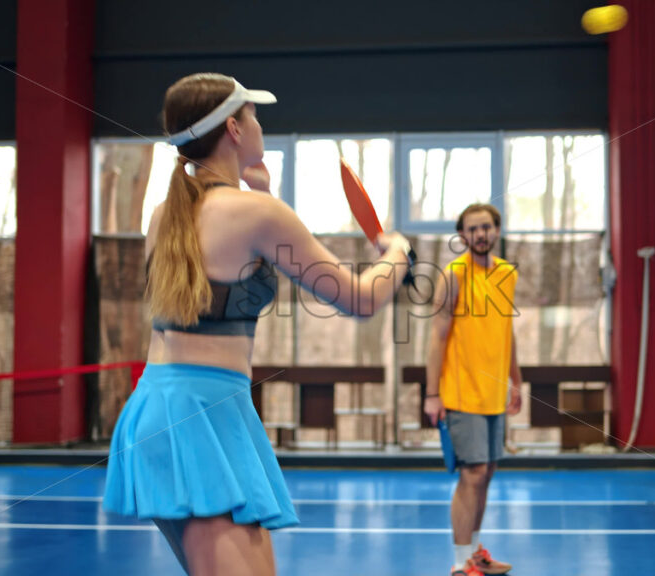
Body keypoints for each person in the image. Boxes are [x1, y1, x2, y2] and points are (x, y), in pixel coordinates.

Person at [102, 72, 412, 576]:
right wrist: (397, 252)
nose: (260, 124)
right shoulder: (256, 213)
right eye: (253, 114)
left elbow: (220, 274)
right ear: (234, 129)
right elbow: (360, 299)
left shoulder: (164, 215)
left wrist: (261, 192)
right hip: (202, 415)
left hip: (160, 407)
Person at [424, 203, 522, 576]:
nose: (480, 234)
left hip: (494, 393)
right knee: (473, 473)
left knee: (488, 471)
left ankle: (475, 552)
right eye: (472, 229)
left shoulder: (507, 274)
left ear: (496, 230)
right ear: (462, 235)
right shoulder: (454, 275)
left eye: (486, 227)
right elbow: (437, 336)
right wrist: (432, 393)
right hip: (461, 391)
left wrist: (516, 380)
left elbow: (507, 331)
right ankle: (460, 562)